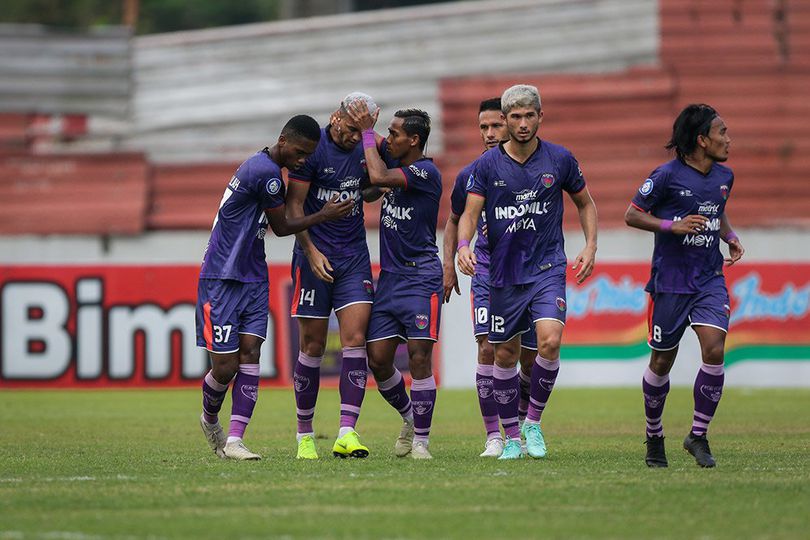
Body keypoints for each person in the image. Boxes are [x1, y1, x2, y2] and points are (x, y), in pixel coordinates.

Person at [196, 115, 353, 460]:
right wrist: (324, 214)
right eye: (298, 153)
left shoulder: (268, 169)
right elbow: (282, 227)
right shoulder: (264, 172)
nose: (302, 161)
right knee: (225, 367)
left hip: (253, 276)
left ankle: (235, 440)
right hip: (221, 277)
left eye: (308, 156)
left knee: (251, 353)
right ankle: (209, 419)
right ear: (283, 140)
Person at [457, 84, 598, 460]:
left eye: (528, 116)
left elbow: (585, 202)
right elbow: (468, 214)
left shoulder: (560, 159)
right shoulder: (487, 166)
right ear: (505, 120)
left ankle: (532, 423)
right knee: (503, 354)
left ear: (540, 116)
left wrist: (590, 245)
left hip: (547, 267)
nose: (522, 124)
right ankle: (511, 439)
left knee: (549, 342)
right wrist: (462, 246)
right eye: (515, 117)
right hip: (503, 273)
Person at [624, 103, 744, 468]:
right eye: (722, 132)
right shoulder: (665, 176)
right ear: (701, 140)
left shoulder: (725, 176)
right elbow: (632, 214)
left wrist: (730, 235)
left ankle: (698, 434)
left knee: (715, 348)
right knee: (662, 360)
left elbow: (716, 208)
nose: (728, 139)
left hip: (709, 279)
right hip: (670, 284)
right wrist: (670, 226)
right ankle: (654, 435)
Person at [285, 92, 382, 460]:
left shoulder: (370, 142)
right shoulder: (313, 147)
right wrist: (309, 251)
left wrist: (375, 183)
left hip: (354, 258)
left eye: (363, 132)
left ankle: (347, 431)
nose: (356, 138)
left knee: (355, 340)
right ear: (335, 117)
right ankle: (305, 435)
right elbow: (294, 205)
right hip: (314, 257)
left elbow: (374, 183)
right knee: (311, 347)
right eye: (352, 130)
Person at [442, 97, 539, 458]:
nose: (489, 133)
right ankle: (493, 436)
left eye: (496, 125)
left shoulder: (535, 167)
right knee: (488, 349)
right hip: (486, 272)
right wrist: (450, 263)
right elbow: (455, 219)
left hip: (530, 274)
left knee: (528, 359)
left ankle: (522, 423)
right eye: (483, 127)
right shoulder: (471, 174)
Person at [346, 103, 443, 459]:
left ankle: (421, 441)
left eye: (396, 133)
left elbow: (378, 177)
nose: (390, 138)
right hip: (389, 279)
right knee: (379, 359)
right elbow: (367, 162)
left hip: (421, 278)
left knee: (419, 359)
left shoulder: (426, 172)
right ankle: (409, 415)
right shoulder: (398, 160)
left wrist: (370, 133)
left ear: (414, 140)